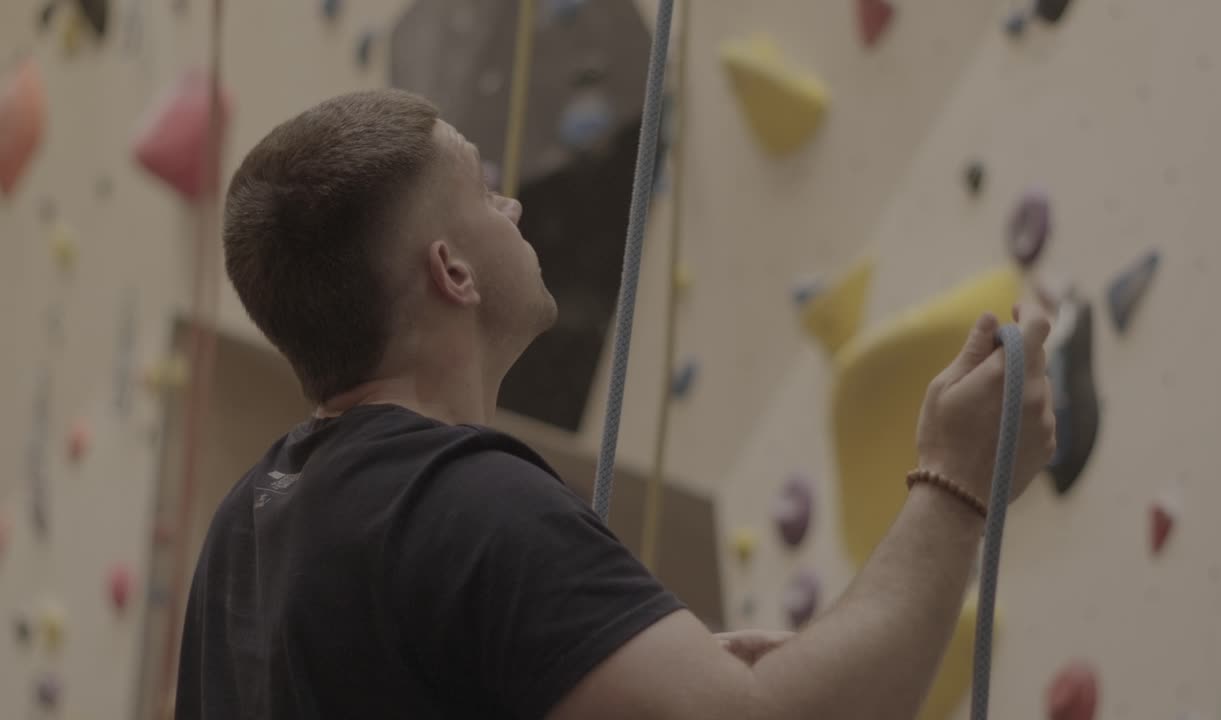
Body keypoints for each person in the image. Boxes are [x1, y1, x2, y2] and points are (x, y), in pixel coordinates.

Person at [176, 88, 1056, 720]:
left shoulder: (246, 528)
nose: (514, 202)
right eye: (484, 188)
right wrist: (955, 482)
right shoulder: (467, 503)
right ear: (452, 271)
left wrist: (592, 664)